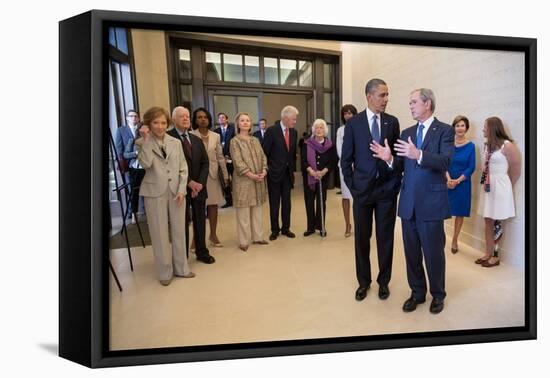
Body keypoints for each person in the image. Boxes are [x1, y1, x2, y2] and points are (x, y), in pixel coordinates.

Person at [392, 88, 454, 314]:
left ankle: (438, 294)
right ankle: (417, 292)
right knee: (411, 253)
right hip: (408, 203)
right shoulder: (406, 132)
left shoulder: (444, 131)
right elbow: (401, 166)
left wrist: (418, 154)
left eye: (414, 102)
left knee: (433, 253)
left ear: (427, 103)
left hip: (431, 203)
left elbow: (445, 161)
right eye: (410, 102)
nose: (410, 106)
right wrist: (389, 158)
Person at [342, 79, 402, 302]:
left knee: (385, 239)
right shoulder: (354, 124)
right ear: (369, 96)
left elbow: (398, 158)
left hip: (387, 191)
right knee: (362, 239)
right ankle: (363, 282)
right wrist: (354, 188)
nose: (386, 100)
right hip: (363, 193)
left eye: (388, 95)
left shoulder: (392, 122)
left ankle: (383, 282)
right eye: (382, 95)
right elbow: (345, 161)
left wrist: (394, 181)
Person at [135, 106, 195, 285]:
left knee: (179, 231)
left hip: (176, 191)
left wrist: (182, 190)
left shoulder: (175, 142)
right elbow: (145, 164)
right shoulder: (141, 142)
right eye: (155, 122)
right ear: (148, 124)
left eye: (163, 122)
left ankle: (182, 269)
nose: (160, 126)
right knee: (159, 233)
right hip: (154, 192)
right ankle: (164, 273)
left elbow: (183, 168)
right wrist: (146, 139)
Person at [168, 107, 215, 264]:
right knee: (181, 223)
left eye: (187, 116)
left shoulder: (196, 139)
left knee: (200, 220)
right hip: (179, 189)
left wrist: (199, 183)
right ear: (173, 119)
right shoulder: (168, 138)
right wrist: (189, 183)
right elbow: (169, 166)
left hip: (199, 189)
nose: (186, 119)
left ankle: (202, 252)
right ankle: (182, 256)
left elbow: (205, 162)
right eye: (181, 116)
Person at [477, 116, 521, 267]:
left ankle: (495, 256)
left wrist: (506, 186)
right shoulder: (487, 146)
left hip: (500, 186)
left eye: (485, 126)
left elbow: (516, 170)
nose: (483, 129)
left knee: (497, 221)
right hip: (488, 186)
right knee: (487, 219)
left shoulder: (507, 146)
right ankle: (488, 252)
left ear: (493, 128)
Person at [230, 112, 269, 251]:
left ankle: (258, 237)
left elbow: (264, 157)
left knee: (257, 209)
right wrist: (251, 175)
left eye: (247, 120)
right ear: (238, 124)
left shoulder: (256, 140)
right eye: (242, 120)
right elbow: (237, 162)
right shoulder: (235, 141)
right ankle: (244, 241)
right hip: (243, 181)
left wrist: (264, 170)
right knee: (244, 211)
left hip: (258, 179)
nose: (245, 122)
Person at [192, 108, 230, 248]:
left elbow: (220, 157)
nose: (202, 119)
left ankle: (213, 235)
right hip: (197, 177)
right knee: (198, 208)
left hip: (213, 175)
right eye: (199, 117)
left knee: (213, 206)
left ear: (209, 119)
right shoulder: (190, 135)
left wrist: (225, 175)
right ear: (195, 120)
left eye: (205, 117)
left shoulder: (216, 136)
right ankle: (196, 238)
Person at [262, 106, 299, 241]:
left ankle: (286, 228)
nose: (295, 122)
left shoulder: (294, 132)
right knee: (274, 203)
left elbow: (293, 154)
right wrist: (268, 169)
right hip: (274, 173)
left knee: (287, 203)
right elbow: (264, 151)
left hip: (288, 174)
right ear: (285, 118)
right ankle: (274, 230)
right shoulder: (272, 131)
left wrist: (293, 170)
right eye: (293, 119)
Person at [302, 119, 338, 237]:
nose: (319, 130)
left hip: (323, 177)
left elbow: (333, 161)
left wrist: (323, 172)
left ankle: (321, 226)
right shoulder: (307, 143)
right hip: (309, 177)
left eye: (321, 127)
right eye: (317, 127)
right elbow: (303, 161)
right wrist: (311, 171)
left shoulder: (330, 145)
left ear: (325, 130)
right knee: (309, 202)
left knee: (321, 202)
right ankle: (310, 227)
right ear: (313, 130)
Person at [446, 115, 476, 254]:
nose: (460, 128)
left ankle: (454, 240)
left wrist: (458, 180)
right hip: (446, 181)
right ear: (454, 128)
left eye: (462, 125)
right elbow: (442, 162)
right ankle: (439, 238)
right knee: (441, 211)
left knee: (459, 213)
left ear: (466, 128)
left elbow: (471, 167)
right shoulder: (447, 144)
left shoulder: (471, 146)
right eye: (457, 125)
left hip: (462, 183)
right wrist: (448, 179)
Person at [336, 104, 358, 237]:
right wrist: (348, 163)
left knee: (358, 197)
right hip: (345, 167)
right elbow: (340, 150)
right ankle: (347, 225)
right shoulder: (340, 130)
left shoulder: (360, 128)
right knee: (346, 197)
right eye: (345, 113)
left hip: (359, 168)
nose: (348, 115)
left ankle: (359, 224)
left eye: (350, 113)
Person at [114, 109, 141, 219]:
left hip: (141, 163)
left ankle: (140, 211)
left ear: (138, 118)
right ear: (127, 118)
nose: (133, 118)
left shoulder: (141, 129)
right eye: (131, 116)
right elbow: (119, 148)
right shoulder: (121, 130)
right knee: (131, 188)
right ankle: (131, 212)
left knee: (139, 188)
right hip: (128, 163)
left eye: (135, 116)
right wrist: (121, 162)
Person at [123, 122, 146, 224]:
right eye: (143, 129)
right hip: (136, 169)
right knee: (134, 193)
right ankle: (134, 214)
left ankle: (150, 214)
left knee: (149, 193)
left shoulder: (152, 141)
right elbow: (125, 155)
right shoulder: (132, 141)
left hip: (148, 169)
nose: (145, 131)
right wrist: (136, 153)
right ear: (139, 130)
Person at [214, 112, 235, 208]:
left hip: (231, 159)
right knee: (225, 180)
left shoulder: (233, 130)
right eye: (219, 118)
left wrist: (229, 156)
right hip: (221, 160)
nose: (221, 119)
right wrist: (222, 157)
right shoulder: (216, 131)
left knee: (234, 179)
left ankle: (237, 197)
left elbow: (235, 145)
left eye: (223, 117)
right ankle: (229, 200)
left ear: (227, 119)